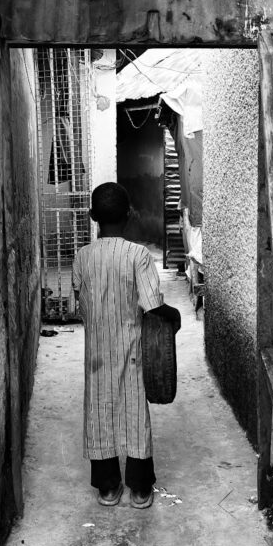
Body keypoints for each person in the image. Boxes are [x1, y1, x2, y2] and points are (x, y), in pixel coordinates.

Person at [72, 182, 163, 509]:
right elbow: (153, 306)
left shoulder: (83, 257)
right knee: (136, 410)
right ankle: (139, 488)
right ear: (129, 215)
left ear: (94, 216)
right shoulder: (139, 256)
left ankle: (109, 486)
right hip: (133, 349)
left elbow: (80, 305)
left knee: (98, 410)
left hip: (96, 352)